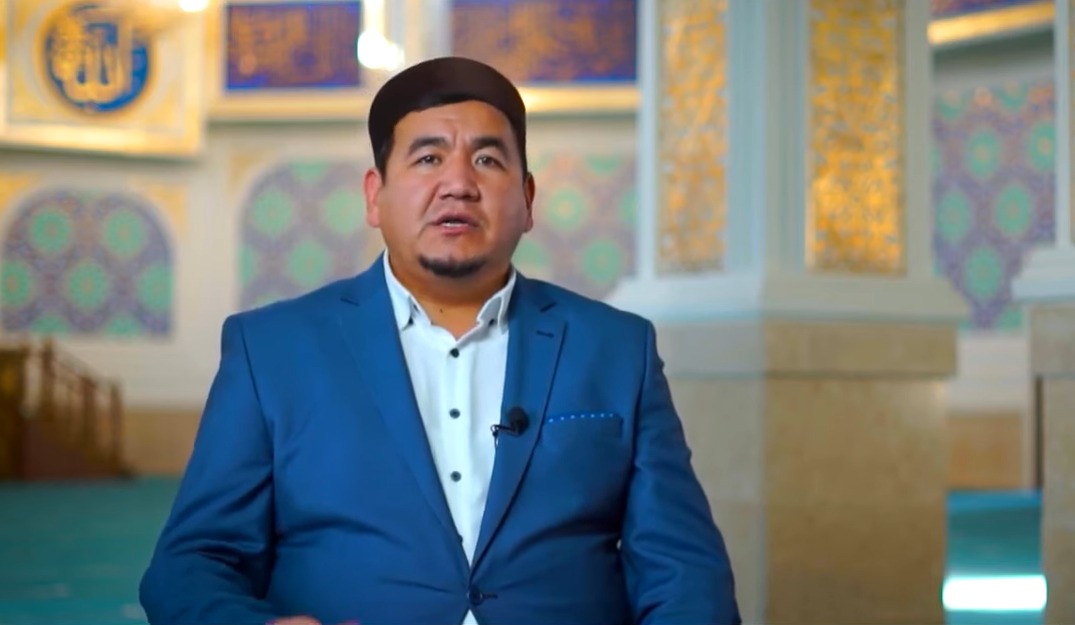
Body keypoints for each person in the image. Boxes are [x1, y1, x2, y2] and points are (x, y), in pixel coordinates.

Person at [139, 56, 740, 625]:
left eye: (488, 160)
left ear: (528, 199)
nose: (458, 183)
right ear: (374, 196)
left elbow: (684, 570)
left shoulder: (616, 349)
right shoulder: (271, 350)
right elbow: (192, 564)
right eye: (428, 158)